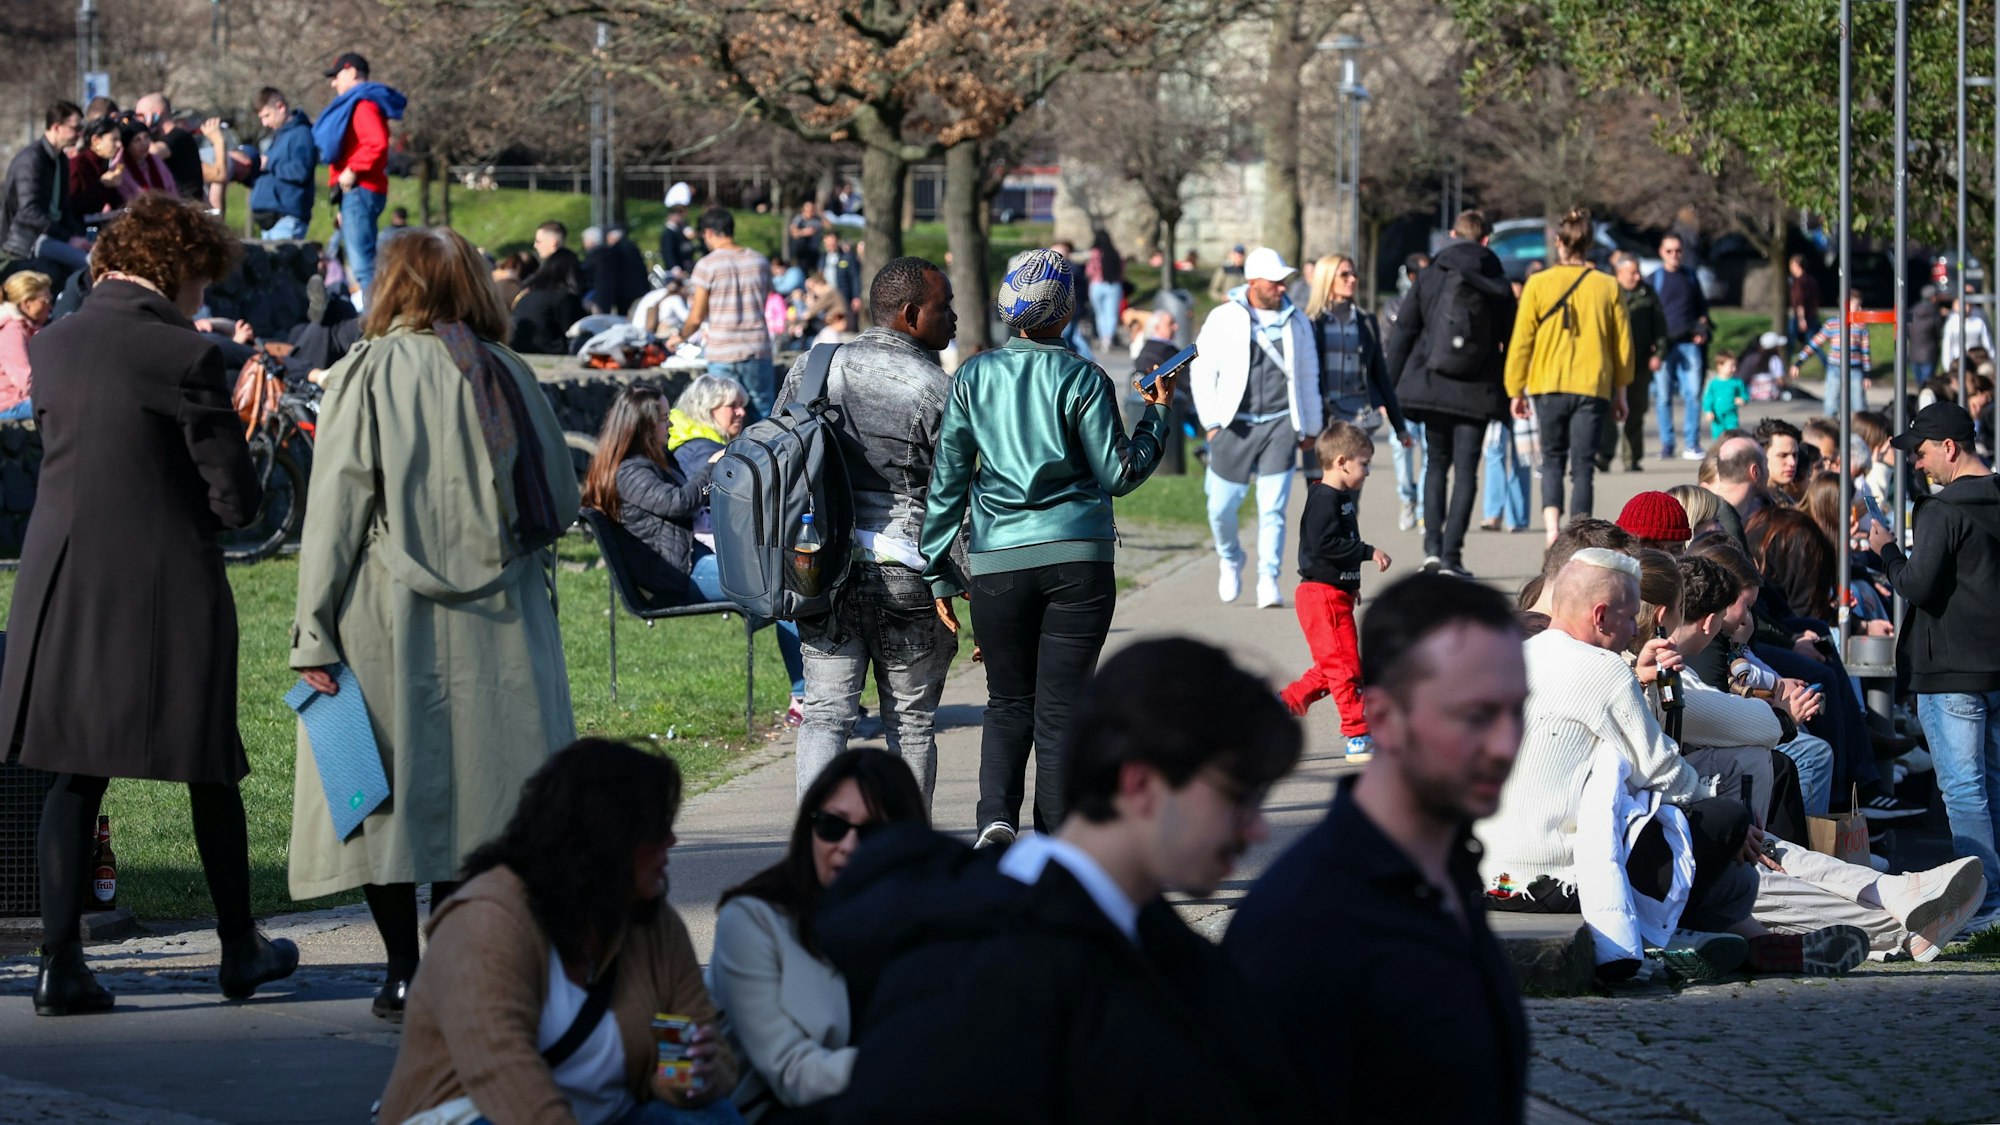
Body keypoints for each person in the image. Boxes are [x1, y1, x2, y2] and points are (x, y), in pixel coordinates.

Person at [0, 194, 298, 1016]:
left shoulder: (52, 346)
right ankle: (240, 946)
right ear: (180, 269)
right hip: (168, 587)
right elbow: (235, 505)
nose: (204, 296)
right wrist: (250, 430)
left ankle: (60, 965)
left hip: (64, 584)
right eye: (202, 279)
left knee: (73, 775)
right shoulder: (188, 355)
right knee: (209, 769)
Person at [814, 638, 1302, 1124]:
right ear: (1141, 785)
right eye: (1239, 795)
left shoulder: (1167, 953)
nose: (1257, 827)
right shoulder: (980, 966)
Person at [288, 226, 581, 1022]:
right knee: (484, 799)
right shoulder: (507, 371)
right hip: (503, 612)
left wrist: (312, 629)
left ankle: (402, 972)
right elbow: (561, 494)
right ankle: (454, 961)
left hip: (386, 610)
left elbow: (335, 514)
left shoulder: (365, 373)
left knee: (380, 794)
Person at [1229, 574, 1528, 1123]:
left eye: (1517, 710)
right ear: (1385, 717)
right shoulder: (1301, 921)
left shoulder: (1451, 869)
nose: (1507, 743)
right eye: (1476, 715)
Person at [921, 248, 1175, 845]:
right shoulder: (1084, 375)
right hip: (1078, 557)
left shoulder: (973, 377)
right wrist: (1156, 417)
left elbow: (948, 481)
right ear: (1066, 311)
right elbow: (1118, 474)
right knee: (1061, 713)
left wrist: (937, 573)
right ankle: (1057, 843)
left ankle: (995, 822)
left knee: (1007, 702)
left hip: (997, 562)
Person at [377, 739, 743, 1125]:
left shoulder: (654, 924)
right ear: (605, 835)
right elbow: (503, 1072)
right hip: (485, 1114)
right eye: (657, 828)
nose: (672, 840)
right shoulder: (486, 920)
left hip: (605, 1116)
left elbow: (708, 1044)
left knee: (710, 1115)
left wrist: (688, 1077)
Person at [776, 257, 960, 802]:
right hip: (907, 573)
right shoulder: (935, 387)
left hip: (820, 570)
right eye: (944, 308)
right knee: (912, 724)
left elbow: (782, 465)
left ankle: (813, 851)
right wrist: (970, 585)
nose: (954, 320)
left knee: (825, 718)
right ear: (909, 315)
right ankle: (908, 858)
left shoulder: (813, 367)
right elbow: (957, 499)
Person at [709, 751, 928, 1123]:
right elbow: (790, 1071)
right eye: (831, 826)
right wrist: (919, 1068)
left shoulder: (925, 919)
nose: (848, 846)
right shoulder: (752, 921)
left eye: (872, 832)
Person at [585, 384, 808, 723]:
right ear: (644, 426)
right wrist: (714, 466)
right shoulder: (630, 471)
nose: (672, 425)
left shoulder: (651, 460)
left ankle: (809, 694)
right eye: (663, 419)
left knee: (787, 581)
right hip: (676, 574)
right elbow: (677, 503)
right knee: (783, 588)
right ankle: (805, 699)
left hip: (684, 563)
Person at [1870, 401, 2000, 933]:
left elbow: (1916, 586)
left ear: (1950, 448)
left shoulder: (1941, 511)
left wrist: (1886, 551)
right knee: (1992, 783)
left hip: (1950, 670)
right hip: (1995, 667)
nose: (1918, 465)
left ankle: (1986, 906)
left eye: (1922, 453)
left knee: (1965, 790)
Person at [1386, 209, 1519, 579]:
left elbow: (1404, 332)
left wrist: (1389, 387)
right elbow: (1513, 338)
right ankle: (1452, 556)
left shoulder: (1431, 274)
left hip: (1432, 383)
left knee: (1435, 465)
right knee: (1466, 472)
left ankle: (1431, 550)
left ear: (1451, 234)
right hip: (1478, 389)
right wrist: (1514, 388)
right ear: (1486, 240)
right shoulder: (1497, 281)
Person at [1190, 245, 1323, 607]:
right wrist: (1213, 423)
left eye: (1284, 281)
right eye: (1275, 281)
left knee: (1274, 508)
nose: (1282, 287)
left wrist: (1311, 426)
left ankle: (1268, 578)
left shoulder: (1297, 320)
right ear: (1253, 281)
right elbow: (1202, 370)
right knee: (1220, 507)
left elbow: (1309, 376)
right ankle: (1231, 557)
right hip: (1235, 425)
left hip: (1280, 425)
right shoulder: (1223, 317)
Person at [1505, 208, 1633, 548]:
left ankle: (1550, 530)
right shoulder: (1608, 286)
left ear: (1560, 243)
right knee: (1583, 466)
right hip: (1593, 384)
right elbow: (1623, 346)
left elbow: (1522, 341)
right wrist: (1622, 392)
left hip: (1548, 382)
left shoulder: (1537, 284)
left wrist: (1515, 387)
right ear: (1589, 244)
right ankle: (1579, 536)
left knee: (1551, 459)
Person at [1280, 422, 1393, 762]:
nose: (1368, 471)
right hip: (1321, 596)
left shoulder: (1338, 498)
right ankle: (1357, 734)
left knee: (1334, 666)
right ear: (1342, 462)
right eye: (1364, 463)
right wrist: (1367, 551)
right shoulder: (1323, 501)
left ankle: (1282, 704)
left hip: (1335, 592)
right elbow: (1326, 544)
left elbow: (1336, 547)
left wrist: (1351, 582)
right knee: (1345, 669)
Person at [311, 52, 407, 298]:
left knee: (363, 267)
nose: (333, 83)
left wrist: (353, 170)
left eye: (336, 76)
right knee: (365, 263)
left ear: (351, 72)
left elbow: (376, 143)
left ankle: (376, 322)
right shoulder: (360, 102)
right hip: (358, 193)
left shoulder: (362, 104)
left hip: (360, 189)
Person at [670, 209, 777, 417]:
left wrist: (679, 336)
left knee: (722, 414)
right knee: (764, 413)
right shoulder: (760, 262)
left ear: (708, 232)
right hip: (757, 347)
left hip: (722, 350)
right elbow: (764, 301)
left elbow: (696, 316)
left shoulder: (707, 265)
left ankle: (727, 451)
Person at [1307, 252, 1408, 441]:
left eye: (1354, 274)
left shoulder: (1366, 321)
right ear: (1326, 278)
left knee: (1356, 470)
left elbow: (1380, 375)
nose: (1352, 279)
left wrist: (1399, 426)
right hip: (1323, 417)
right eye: (1344, 274)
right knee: (1322, 471)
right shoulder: (1311, 323)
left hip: (1360, 415)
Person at [1, 103, 88, 281]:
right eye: (75, 128)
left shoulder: (61, 159)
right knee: (88, 264)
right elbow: (28, 213)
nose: (80, 133)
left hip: (52, 235)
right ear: (57, 127)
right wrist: (69, 239)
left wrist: (78, 236)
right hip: (29, 241)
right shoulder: (31, 160)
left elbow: (64, 209)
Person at [1649, 233, 1712, 460]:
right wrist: (1652, 345)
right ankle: (1667, 444)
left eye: (1678, 251)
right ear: (1661, 252)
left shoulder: (1691, 277)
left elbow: (1702, 311)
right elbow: (1648, 316)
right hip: (1664, 347)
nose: (1674, 255)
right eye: (1669, 251)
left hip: (1689, 345)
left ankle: (1692, 444)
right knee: (1664, 397)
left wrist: (1701, 331)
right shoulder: (1654, 279)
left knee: (1693, 395)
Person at [1606, 251, 1668, 471]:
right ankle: (1603, 456)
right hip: (1612, 363)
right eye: (1632, 272)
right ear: (1619, 272)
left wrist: (1658, 354)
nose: (1637, 277)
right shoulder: (1608, 291)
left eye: (1638, 271)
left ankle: (1632, 458)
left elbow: (1660, 327)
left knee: (1636, 410)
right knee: (1607, 411)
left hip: (1640, 363)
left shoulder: (1647, 293)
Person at [1790, 288, 1871, 418]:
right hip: (1835, 368)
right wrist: (1799, 362)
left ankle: (1860, 434)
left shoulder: (1861, 327)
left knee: (1859, 406)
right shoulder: (1832, 324)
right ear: (1846, 305)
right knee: (1831, 404)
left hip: (1855, 370)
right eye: (1857, 305)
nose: (1860, 309)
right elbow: (1814, 343)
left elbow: (1865, 352)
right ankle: (1831, 431)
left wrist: (1867, 374)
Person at [248, 87, 316, 240]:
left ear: (280, 107)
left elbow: (300, 171)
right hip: (272, 220)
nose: (265, 123)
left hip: (286, 219)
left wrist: (269, 164)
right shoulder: (279, 136)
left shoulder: (301, 134)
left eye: (267, 115)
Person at [512, 249, 587, 355]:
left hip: (520, 347)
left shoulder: (527, 295)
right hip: (550, 349)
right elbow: (574, 330)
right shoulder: (563, 297)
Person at [0, 270, 52, 420]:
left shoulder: (27, 328)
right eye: (45, 302)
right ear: (27, 303)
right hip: (9, 404)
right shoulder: (11, 330)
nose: (50, 308)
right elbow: (25, 381)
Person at [131, 94, 203, 199]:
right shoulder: (155, 139)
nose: (138, 121)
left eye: (141, 116)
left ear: (156, 113)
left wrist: (143, 129)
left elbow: (152, 153)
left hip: (186, 206)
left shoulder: (179, 136)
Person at [64, 116, 127, 220]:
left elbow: (117, 203)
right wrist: (102, 184)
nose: (119, 144)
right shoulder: (78, 164)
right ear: (96, 140)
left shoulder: (104, 164)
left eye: (119, 140)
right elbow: (73, 205)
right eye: (114, 139)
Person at [1084, 229, 1125, 354]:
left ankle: (1103, 338)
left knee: (1100, 313)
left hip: (1096, 285)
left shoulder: (1095, 254)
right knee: (1111, 314)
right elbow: (1122, 270)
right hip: (1113, 285)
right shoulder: (1115, 253)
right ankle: (1108, 338)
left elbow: (1089, 271)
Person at [1757, 417, 1806, 504]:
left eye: (1795, 455)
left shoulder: (1785, 498)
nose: (1792, 462)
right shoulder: (1753, 506)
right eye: (1783, 455)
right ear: (1762, 455)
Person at [1702, 351, 1748, 441]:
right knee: (1718, 437)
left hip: (1731, 415)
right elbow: (1708, 399)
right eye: (1731, 366)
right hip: (1717, 416)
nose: (1734, 369)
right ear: (1720, 366)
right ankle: (1719, 452)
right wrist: (1708, 411)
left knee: (1733, 435)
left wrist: (1743, 399)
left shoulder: (1737, 382)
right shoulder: (1714, 383)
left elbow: (1745, 394)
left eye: (1735, 366)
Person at [1942, 295, 1993, 372]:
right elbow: (1947, 345)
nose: (1967, 308)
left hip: (1976, 362)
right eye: (1964, 305)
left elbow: (1988, 343)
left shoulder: (1979, 322)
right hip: (1958, 363)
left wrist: (1992, 359)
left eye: (1969, 305)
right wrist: (1947, 365)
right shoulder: (1951, 324)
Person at [1909, 285, 1945, 384]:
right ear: (1933, 298)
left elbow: (1905, 330)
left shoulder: (1912, 310)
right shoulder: (1935, 313)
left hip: (1913, 353)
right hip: (1930, 353)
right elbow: (1939, 332)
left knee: (1919, 383)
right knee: (1928, 384)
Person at [1787, 254, 1822, 354]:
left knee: (1791, 343)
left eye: (1792, 265)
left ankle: (1785, 365)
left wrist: (1801, 319)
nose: (1790, 268)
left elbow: (1800, 301)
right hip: (1811, 315)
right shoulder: (1811, 280)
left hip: (1800, 316)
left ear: (1797, 265)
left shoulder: (1799, 282)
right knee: (1813, 343)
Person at [788, 199, 826, 273]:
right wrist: (804, 232)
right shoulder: (799, 219)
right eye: (808, 209)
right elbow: (793, 233)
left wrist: (821, 214)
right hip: (803, 251)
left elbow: (829, 227)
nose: (810, 212)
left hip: (815, 250)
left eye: (812, 209)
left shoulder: (817, 219)